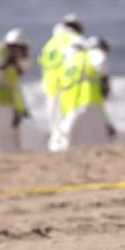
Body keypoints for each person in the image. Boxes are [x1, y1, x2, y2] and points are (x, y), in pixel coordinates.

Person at [50, 36, 116, 150]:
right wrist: (105, 80)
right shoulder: (89, 56)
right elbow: (102, 64)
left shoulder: (65, 65)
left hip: (70, 109)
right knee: (97, 143)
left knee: (69, 143)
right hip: (89, 105)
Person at [38, 14, 85, 150]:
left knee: (55, 126)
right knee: (67, 126)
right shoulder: (73, 39)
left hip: (50, 89)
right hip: (67, 88)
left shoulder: (49, 44)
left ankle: (55, 151)